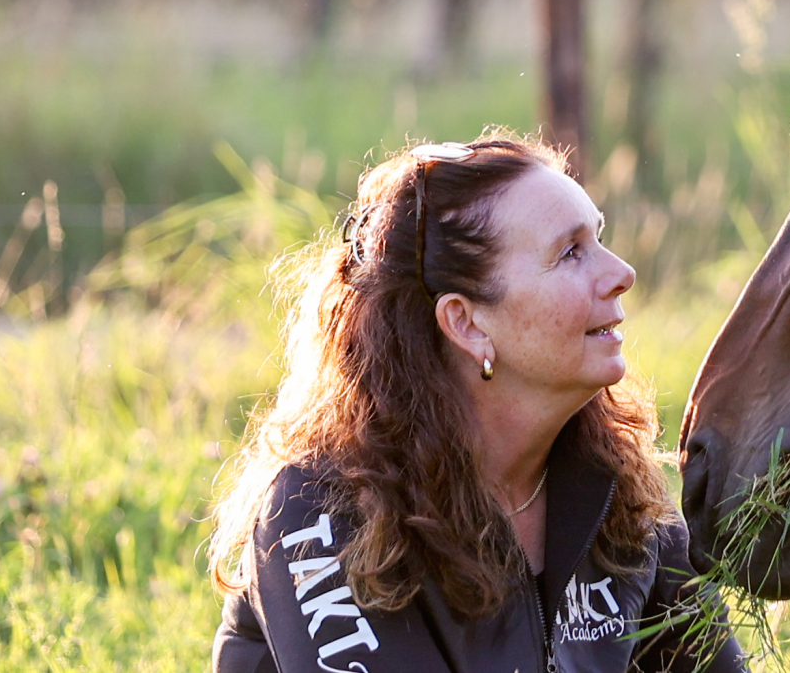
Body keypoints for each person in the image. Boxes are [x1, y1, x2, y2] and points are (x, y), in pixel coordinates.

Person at [208, 135, 742, 672]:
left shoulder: (616, 487)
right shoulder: (319, 511)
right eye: (570, 252)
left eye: (599, 238)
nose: (622, 273)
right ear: (467, 323)